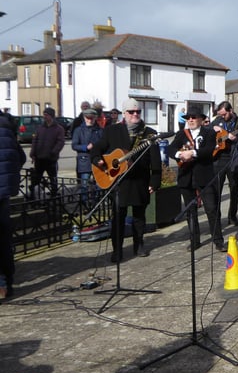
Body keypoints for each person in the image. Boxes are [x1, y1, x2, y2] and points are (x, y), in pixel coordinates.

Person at [90, 99, 162, 261]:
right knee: (118, 217)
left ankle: (139, 245)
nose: (135, 114)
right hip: (117, 181)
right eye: (131, 112)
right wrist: (97, 160)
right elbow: (97, 148)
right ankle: (117, 250)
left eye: (138, 112)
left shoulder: (149, 133)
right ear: (124, 113)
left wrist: (155, 181)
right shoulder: (112, 131)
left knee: (139, 216)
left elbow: (155, 160)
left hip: (140, 180)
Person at [167, 106, 225, 252]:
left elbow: (209, 151)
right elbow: (170, 149)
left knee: (211, 209)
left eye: (194, 117)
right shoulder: (181, 134)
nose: (191, 120)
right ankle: (195, 240)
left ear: (201, 119)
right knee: (190, 211)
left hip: (205, 176)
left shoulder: (209, 132)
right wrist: (180, 155)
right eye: (188, 118)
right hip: (186, 177)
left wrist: (192, 153)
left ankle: (218, 240)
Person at [0, 110, 26, 299]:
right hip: (4, 192)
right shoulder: (6, 126)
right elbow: (20, 157)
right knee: (4, 239)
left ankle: (1, 285)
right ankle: (8, 282)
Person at [210, 101, 238, 227]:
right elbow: (206, 132)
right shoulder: (217, 120)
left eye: (224, 114)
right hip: (219, 158)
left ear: (230, 110)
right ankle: (217, 218)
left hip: (233, 158)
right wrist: (212, 128)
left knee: (234, 188)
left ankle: (232, 216)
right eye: (220, 115)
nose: (222, 117)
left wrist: (236, 138)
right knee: (217, 189)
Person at [29, 107, 65, 199]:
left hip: (51, 159)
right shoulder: (40, 128)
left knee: (53, 179)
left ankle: (54, 197)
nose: (44, 117)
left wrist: (53, 152)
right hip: (39, 158)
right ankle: (34, 197)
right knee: (36, 179)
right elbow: (35, 141)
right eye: (44, 115)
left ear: (51, 116)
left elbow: (60, 142)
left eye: (46, 115)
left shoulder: (58, 129)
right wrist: (32, 153)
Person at [71, 108, 103, 205]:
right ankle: (84, 204)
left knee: (98, 184)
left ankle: (96, 203)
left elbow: (104, 144)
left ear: (95, 118)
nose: (90, 120)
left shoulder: (100, 130)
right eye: (88, 118)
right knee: (84, 184)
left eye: (92, 118)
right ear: (84, 118)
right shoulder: (78, 130)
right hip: (84, 160)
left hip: (97, 161)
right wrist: (86, 147)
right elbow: (74, 145)